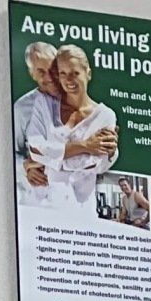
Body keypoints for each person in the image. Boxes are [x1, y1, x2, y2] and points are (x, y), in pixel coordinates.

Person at [41, 44, 117, 211]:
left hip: (82, 205)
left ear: (88, 73)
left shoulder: (105, 115)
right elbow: (39, 152)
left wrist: (56, 159)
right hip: (45, 201)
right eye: (63, 74)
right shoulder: (47, 109)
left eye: (75, 73)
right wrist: (86, 147)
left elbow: (96, 164)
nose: (69, 80)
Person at [12, 39, 60, 203]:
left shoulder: (77, 99)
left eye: (52, 69)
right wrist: (25, 167)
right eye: (41, 72)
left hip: (72, 198)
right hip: (35, 201)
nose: (50, 77)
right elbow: (10, 154)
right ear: (32, 74)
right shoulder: (21, 108)